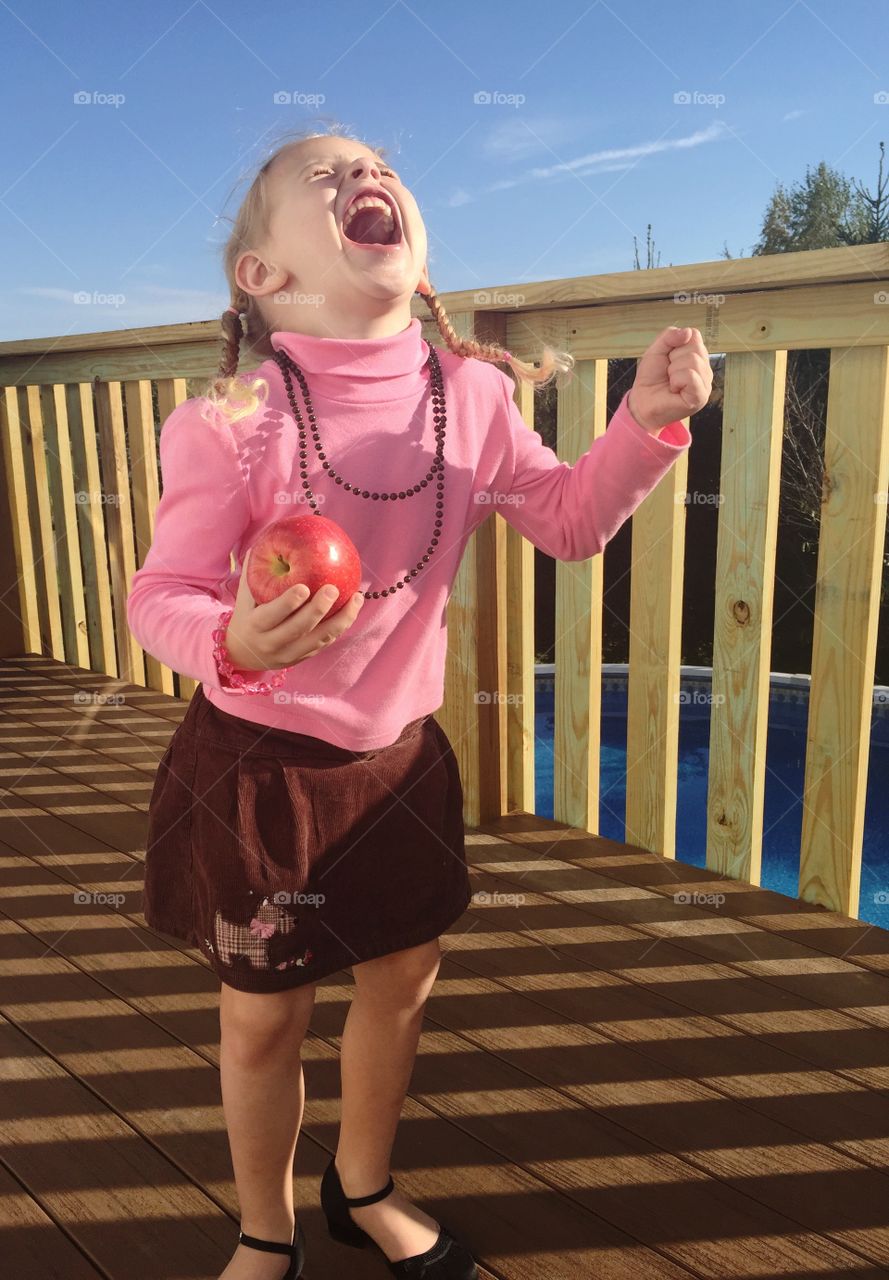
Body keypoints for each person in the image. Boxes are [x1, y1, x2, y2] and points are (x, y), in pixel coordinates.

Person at [126, 123, 710, 1280]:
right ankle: (264, 1226)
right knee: (263, 1017)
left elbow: (570, 521)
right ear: (264, 274)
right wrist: (229, 639)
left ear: (418, 252)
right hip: (261, 767)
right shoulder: (231, 422)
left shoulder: (471, 397)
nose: (368, 177)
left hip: (398, 762)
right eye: (327, 175)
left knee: (399, 984)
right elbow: (159, 595)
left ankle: (362, 1185)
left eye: (383, 167)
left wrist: (643, 425)